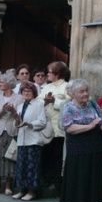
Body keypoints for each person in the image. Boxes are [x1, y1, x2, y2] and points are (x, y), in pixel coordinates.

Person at [60, 79, 102, 202]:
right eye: (81, 91)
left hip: (95, 147)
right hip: (77, 148)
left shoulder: (92, 104)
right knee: (76, 178)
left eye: (86, 91)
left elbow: (101, 120)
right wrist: (91, 126)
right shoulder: (68, 107)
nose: (85, 94)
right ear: (73, 94)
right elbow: (69, 127)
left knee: (94, 178)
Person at [38, 61, 70, 191]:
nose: (47, 74)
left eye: (50, 72)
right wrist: (45, 101)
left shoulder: (67, 86)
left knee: (58, 156)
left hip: (59, 128)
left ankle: (58, 185)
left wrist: (55, 101)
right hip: (46, 127)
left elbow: (70, 102)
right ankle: (45, 181)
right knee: (46, 155)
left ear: (57, 74)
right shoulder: (46, 87)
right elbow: (39, 101)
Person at [12, 82, 47, 201]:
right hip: (22, 140)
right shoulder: (20, 106)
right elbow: (16, 124)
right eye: (24, 91)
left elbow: (42, 122)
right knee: (21, 166)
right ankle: (22, 190)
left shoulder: (39, 104)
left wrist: (30, 124)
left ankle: (32, 192)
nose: (26, 93)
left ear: (34, 93)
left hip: (34, 140)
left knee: (32, 166)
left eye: (29, 91)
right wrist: (16, 119)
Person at [0, 73, 21, 195]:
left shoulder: (18, 98)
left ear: (9, 84)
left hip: (12, 130)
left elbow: (20, 116)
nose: (0, 84)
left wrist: (13, 111)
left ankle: (8, 185)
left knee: (10, 157)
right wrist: (1, 110)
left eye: (2, 82)